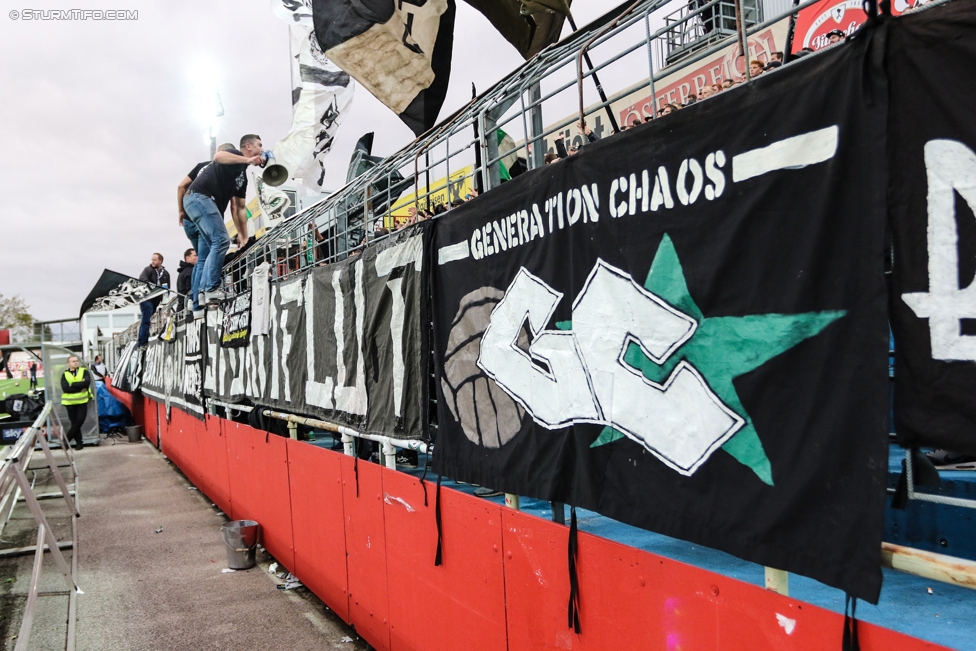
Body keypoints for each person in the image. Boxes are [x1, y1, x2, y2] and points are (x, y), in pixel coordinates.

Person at [182, 134, 265, 310]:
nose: (262, 149)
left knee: (210, 248)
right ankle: (211, 288)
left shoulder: (241, 178)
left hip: (196, 202)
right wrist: (249, 160)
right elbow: (218, 156)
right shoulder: (234, 154)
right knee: (221, 240)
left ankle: (202, 293)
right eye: (259, 145)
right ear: (248, 147)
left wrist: (244, 236)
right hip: (199, 198)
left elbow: (238, 208)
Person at [177, 144, 235, 315]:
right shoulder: (221, 170)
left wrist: (180, 209)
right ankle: (199, 300)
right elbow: (235, 205)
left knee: (201, 259)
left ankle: (193, 301)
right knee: (205, 255)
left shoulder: (202, 166)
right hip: (203, 214)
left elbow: (181, 187)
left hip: (189, 216)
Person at [137, 253, 170, 347]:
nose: (152, 262)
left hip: (156, 300)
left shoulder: (165, 273)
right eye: (152, 259)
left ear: (160, 261)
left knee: (150, 320)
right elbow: (143, 280)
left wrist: (165, 299)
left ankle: (146, 339)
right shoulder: (147, 270)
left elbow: (167, 287)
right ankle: (142, 343)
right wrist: (154, 288)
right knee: (146, 320)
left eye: (155, 260)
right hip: (147, 298)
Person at [61, 355, 92, 451]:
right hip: (69, 403)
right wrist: (80, 386)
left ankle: (67, 439)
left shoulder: (84, 371)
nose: (76, 362)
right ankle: (79, 443)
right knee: (74, 422)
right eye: (73, 361)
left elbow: (87, 383)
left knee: (79, 421)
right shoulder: (65, 374)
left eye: (76, 361)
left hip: (82, 401)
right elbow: (65, 388)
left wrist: (73, 384)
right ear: (68, 363)